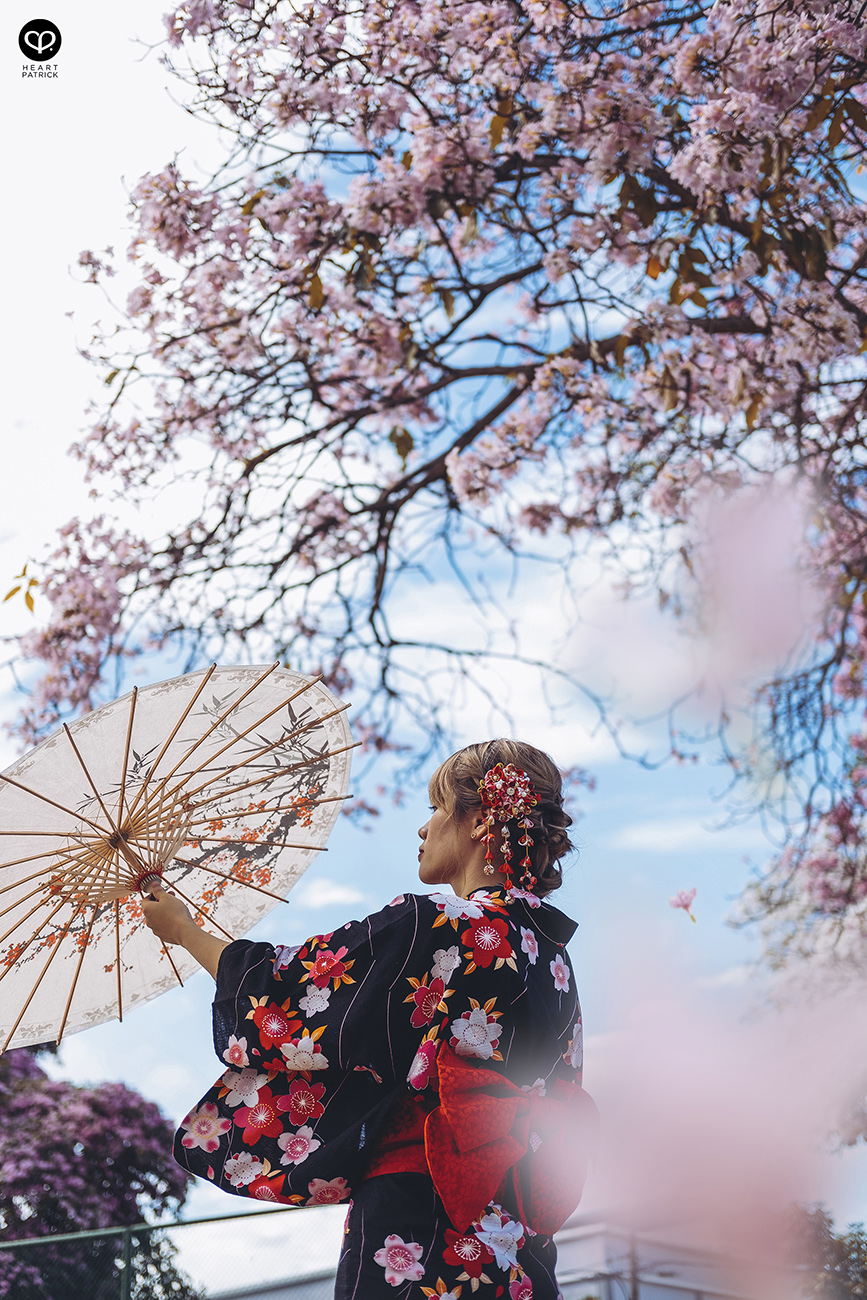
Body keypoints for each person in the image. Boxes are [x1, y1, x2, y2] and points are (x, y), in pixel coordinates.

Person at [142, 739, 597, 1299]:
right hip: (518, 1225)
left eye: (436, 807)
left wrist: (184, 930)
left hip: (422, 1213)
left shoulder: (435, 923)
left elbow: (292, 991)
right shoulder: (554, 955)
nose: (423, 828)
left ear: (481, 821)